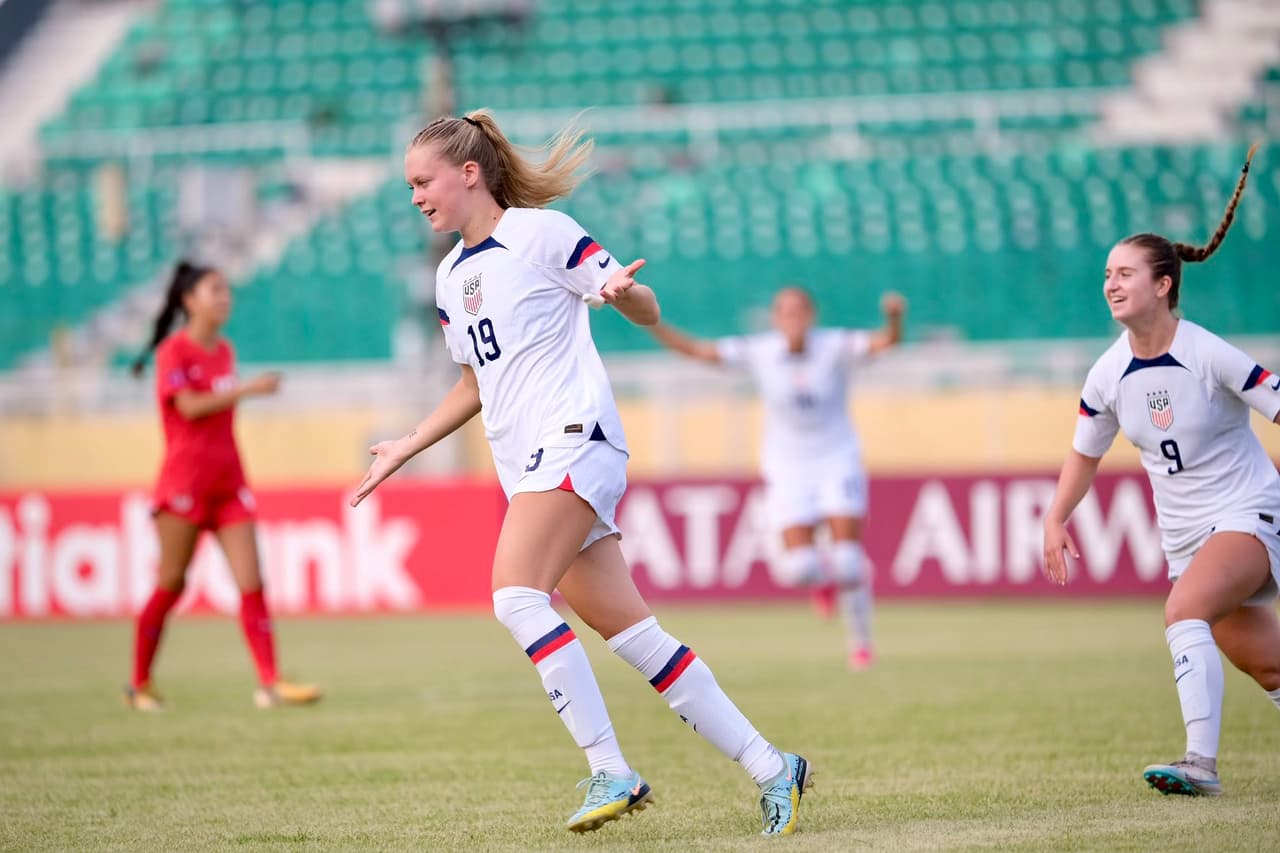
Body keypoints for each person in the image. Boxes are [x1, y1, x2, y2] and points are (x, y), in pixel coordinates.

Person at [351, 110, 812, 836]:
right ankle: (772, 766)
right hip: (533, 461)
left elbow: (645, 304)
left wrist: (626, 296)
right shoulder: (447, 277)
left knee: (514, 595)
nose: (414, 196)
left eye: (422, 180)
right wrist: (409, 442)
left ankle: (611, 767)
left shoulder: (542, 233)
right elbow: (475, 384)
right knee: (638, 639)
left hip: (573, 438)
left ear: (469, 173)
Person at [1042, 145, 1280, 797]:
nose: (1111, 283)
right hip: (1185, 539)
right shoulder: (1107, 373)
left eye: (1124, 273)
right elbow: (1084, 454)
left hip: (1247, 512)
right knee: (1269, 667)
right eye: (1106, 275)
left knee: (1182, 611)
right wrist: (1056, 516)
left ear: (1164, 283)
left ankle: (1199, 763)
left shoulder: (1208, 353)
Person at [648, 288, 905, 670]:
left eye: (799, 310)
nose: (793, 317)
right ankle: (822, 582)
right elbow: (697, 351)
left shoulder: (834, 346)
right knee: (800, 568)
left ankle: (861, 644)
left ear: (812, 314)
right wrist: (650, 321)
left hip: (837, 459)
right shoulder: (760, 351)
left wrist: (894, 318)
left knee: (850, 563)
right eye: (785, 311)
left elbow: (887, 341)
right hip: (788, 466)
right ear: (775, 317)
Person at [126, 262, 322, 711]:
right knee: (171, 583)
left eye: (226, 290)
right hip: (184, 486)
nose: (224, 297)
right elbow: (190, 408)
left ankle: (270, 681)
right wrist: (246, 391)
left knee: (252, 581)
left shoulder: (224, 351)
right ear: (189, 300)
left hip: (229, 484)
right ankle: (139, 683)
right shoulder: (174, 352)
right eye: (215, 290)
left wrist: (242, 390)